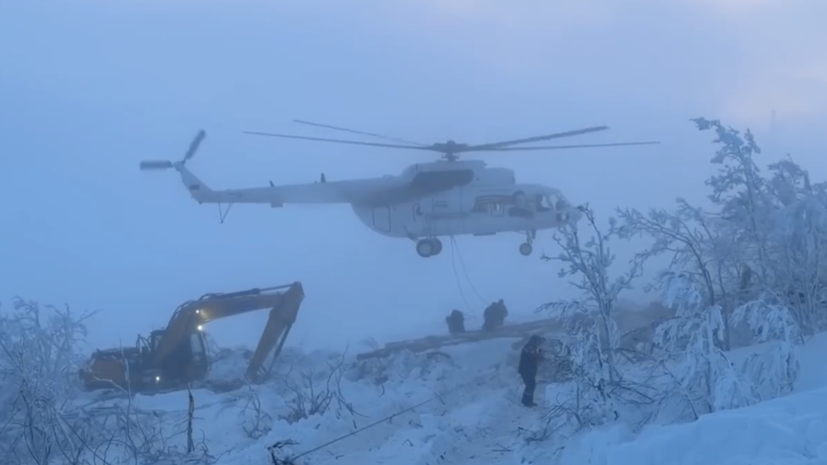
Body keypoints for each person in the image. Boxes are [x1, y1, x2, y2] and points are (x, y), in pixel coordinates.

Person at [518, 335, 545, 407]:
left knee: (531, 385)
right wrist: (540, 355)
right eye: (538, 341)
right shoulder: (529, 347)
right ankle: (526, 401)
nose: (539, 343)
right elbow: (535, 357)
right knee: (531, 385)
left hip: (529, 370)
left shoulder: (532, 347)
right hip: (526, 370)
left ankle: (528, 401)